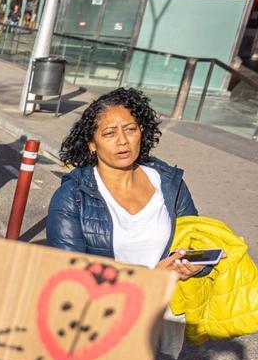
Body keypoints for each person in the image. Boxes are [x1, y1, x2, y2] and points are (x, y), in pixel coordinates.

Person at [46, 88, 203, 280]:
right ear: (92, 144)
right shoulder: (72, 196)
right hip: (108, 307)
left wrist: (196, 266)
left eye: (130, 130)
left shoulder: (170, 184)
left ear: (141, 132)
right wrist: (150, 278)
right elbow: (69, 273)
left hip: (172, 307)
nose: (122, 141)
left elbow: (195, 241)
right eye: (109, 133)